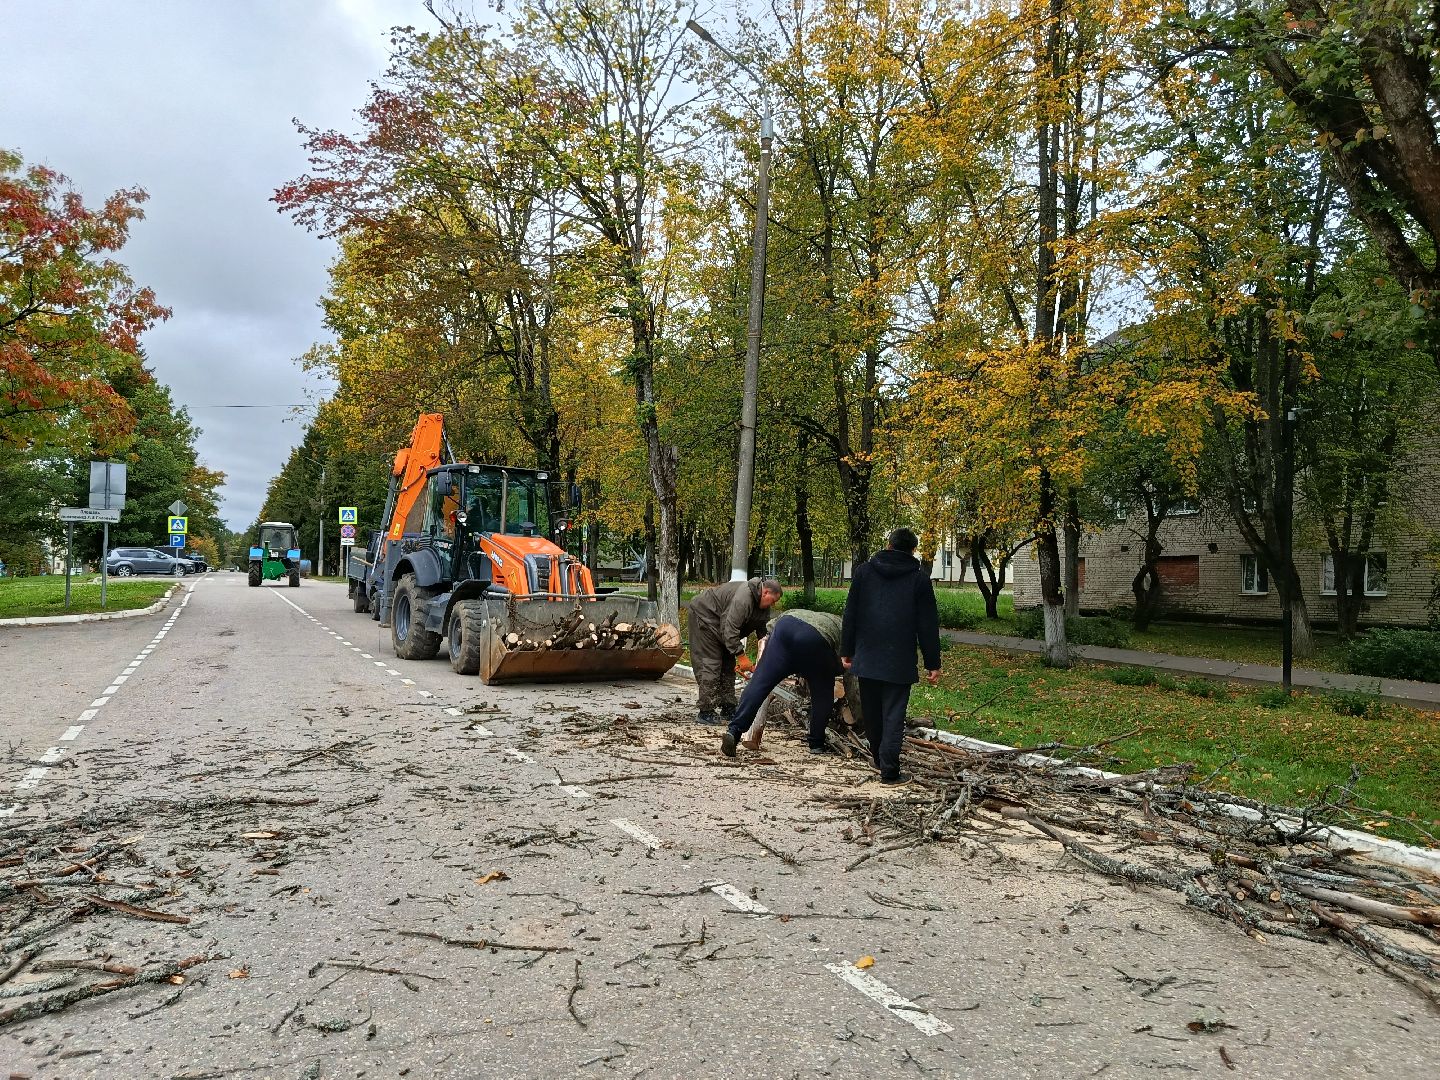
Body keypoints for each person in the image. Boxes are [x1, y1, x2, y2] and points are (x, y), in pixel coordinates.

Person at [841, 528, 941, 785]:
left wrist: (847, 650)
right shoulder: (919, 579)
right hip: (899, 660)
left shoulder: (864, 572)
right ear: (913, 550)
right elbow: (927, 625)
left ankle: (879, 759)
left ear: (888, 545)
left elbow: (850, 613)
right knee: (893, 716)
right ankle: (889, 771)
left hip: (867, 656)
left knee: (872, 714)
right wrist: (933, 663)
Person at [720, 607, 848, 757]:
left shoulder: (800, 614)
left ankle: (734, 731)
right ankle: (816, 743)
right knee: (822, 693)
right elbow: (845, 668)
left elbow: (768, 633)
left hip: (784, 628)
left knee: (759, 683)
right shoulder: (847, 632)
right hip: (815, 639)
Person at [688, 577, 782, 725]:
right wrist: (741, 656)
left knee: (728, 665)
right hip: (705, 617)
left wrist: (768, 653)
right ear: (765, 592)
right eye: (773, 600)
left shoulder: (763, 605)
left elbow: (763, 631)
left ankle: (728, 706)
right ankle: (706, 711)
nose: (773, 604)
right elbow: (730, 630)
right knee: (711, 663)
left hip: (722, 625)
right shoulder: (743, 599)